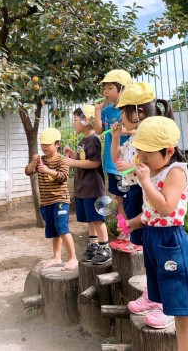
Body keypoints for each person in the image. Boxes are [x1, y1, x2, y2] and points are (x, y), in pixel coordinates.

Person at [123, 117, 188, 350]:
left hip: (171, 241)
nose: (141, 160)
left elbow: (166, 207)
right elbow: (151, 211)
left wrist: (145, 182)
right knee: (164, 294)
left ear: (168, 151)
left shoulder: (175, 171)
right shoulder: (157, 170)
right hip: (153, 238)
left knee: (183, 313)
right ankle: (158, 306)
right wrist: (134, 222)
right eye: (139, 155)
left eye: (146, 156)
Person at [110, 81, 174, 252]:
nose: (121, 117)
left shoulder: (150, 138)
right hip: (134, 189)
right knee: (139, 236)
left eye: (124, 111)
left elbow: (153, 165)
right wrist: (115, 138)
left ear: (139, 112)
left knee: (147, 234)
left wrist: (131, 165)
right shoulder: (134, 138)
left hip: (144, 190)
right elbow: (116, 159)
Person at [63, 105, 112, 265]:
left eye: (75, 120)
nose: (73, 123)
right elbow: (84, 157)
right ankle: (94, 245)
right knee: (91, 219)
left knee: (97, 219)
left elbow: (95, 162)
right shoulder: (84, 140)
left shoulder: (93, 140)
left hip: (92, 188)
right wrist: (73, 154)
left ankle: (105, 248)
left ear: (85, 121)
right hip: (83, 188)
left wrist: (73, 162)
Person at [25, 127, 78, 271]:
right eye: (42, 145)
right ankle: (57, 257)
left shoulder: (62, 160)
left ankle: (73, 258)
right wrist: (33, 162)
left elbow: (63, 177)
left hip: (60, 200)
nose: (44, 147)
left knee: (62, 227)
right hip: (46, 201)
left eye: (47, 144)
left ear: (57, 144)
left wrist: (47, 171)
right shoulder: (40, 160)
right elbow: (28, 171)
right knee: (54, 230)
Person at [94, 69, 133, 243]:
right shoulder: (108, 111)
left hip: (129, 164)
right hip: (112, 164)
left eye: (110, 88)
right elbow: (98, 130)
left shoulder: (130, 109)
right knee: (120, 201)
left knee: (133, 198)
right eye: (105, 88)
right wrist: (97, 110)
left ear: (122, 89)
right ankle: (125, 230)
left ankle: (135, 230)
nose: (105, 92)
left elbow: (140, 129)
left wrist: (124, 130)